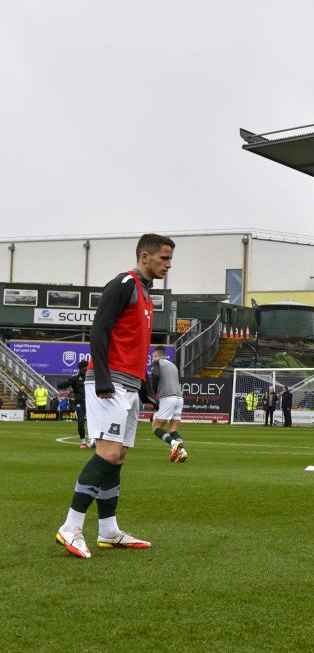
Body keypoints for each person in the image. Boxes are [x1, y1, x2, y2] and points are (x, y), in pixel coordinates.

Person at [55, 233, 174, 559]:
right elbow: (100, 330)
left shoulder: (147, 294)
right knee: (107, 453)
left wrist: (145, 387)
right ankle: (70, 526)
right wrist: (104, 378)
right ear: (145, 256)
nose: (168, 264)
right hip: (110, 384)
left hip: (129, 385)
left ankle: (108, 530)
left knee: (118, 456)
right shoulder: (124, 283)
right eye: (164, 258)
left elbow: (135, 344)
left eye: (170, 259)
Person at [149, 347, 188, 462]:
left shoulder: (156, 363)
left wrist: (153, 394)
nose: (152, 359)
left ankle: (174, 443)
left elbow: (155, 376)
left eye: (153, 356)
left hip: (167, 397)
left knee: (156, 427)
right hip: (179, 398)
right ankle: (182, 452)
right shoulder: (173, 366)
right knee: (173, 429)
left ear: (156, 355)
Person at [58, 360, 89, 448]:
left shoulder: (92, 377)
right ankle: (83, 442)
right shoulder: (75, 378)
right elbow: (65, 384)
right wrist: (60, 385)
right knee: (80, 421)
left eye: (87, 369)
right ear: (80, 369)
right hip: (80, 402)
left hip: (91, 402)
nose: (86, 371)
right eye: (84, 369)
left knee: (94, 422)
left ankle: (93, 440)